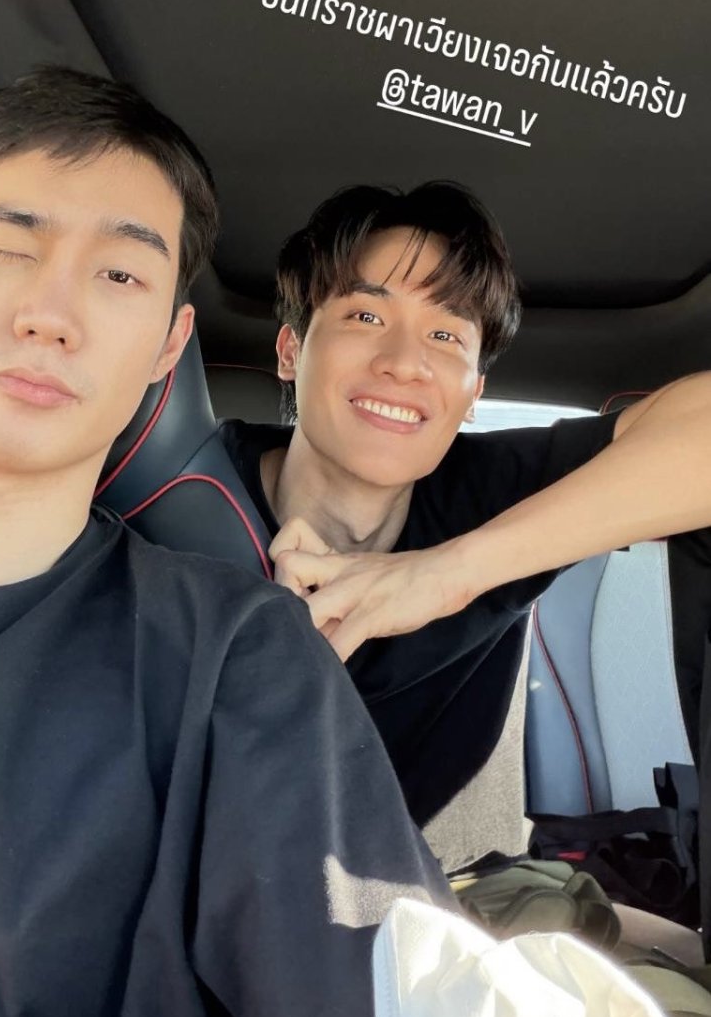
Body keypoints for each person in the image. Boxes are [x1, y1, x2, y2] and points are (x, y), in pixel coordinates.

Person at [0, 70, 455, 1017]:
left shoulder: (235, 660)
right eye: (7, 245)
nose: (50, 312)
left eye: (120, 275)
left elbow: (402, 991)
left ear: (166, 346)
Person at [219, 181, 711, 834]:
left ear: (474, 394)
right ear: (290, 351)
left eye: (445, 334)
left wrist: (447, 574)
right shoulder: (185, 490)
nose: (406, 364)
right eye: (366, 317)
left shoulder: (490, 497)